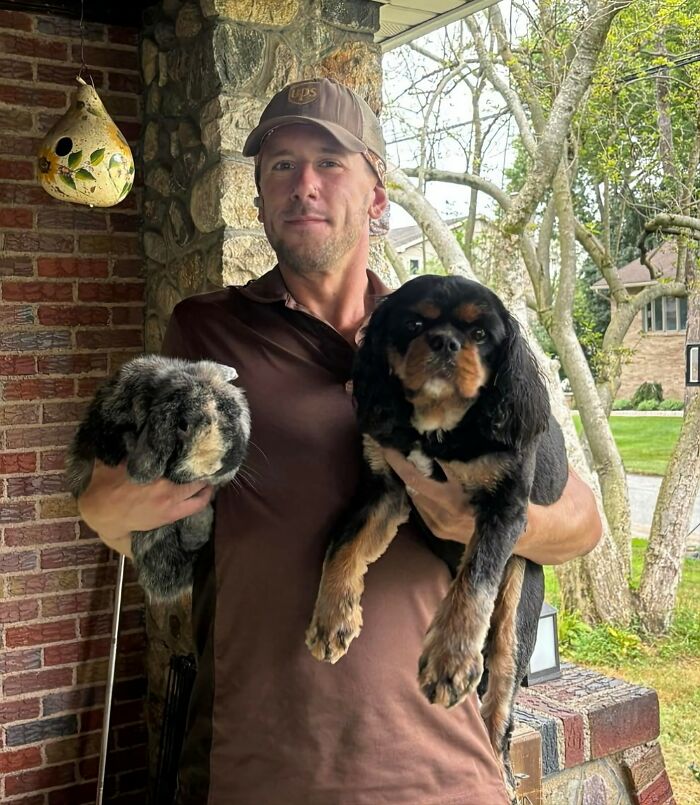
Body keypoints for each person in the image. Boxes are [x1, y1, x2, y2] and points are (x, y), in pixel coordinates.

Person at [79, 78, 602, 805]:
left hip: (443, 766)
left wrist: (479, 520)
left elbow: (583, 522)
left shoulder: (445, 334)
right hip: (265, 761)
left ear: (377, 198)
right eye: (281, 167)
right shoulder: (205, 331)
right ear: (259, 198)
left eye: (330, 162)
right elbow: (132, 510)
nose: (305, 185)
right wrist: (105, 512)